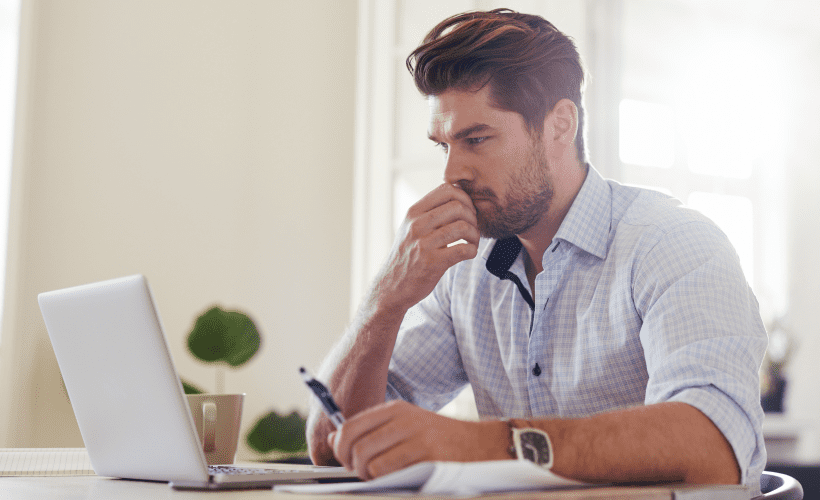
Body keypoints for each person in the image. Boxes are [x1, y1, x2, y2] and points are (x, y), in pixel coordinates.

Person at [307, 8, 767, 486]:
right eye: (445, 146)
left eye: (477, 139)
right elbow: (334, 445)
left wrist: (478, 445)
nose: (451, 174)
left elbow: (713, 446)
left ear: (559, 126)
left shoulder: (672, 243)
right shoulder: (466, 272)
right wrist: (386, 300)